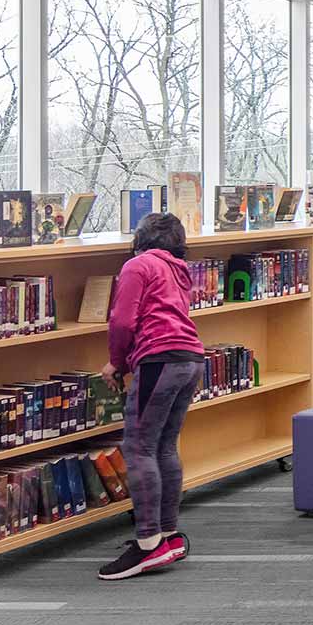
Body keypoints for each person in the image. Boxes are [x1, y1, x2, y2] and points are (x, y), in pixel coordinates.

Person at [100, 211, 206, 580]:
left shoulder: (137, 265)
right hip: (192, 359)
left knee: (139, 448)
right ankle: (169, 535)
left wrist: (117, 362)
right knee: (165, 447)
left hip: (159, 360)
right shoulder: (178, 268)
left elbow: (123, 321)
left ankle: (147, 544)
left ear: (140, 239)